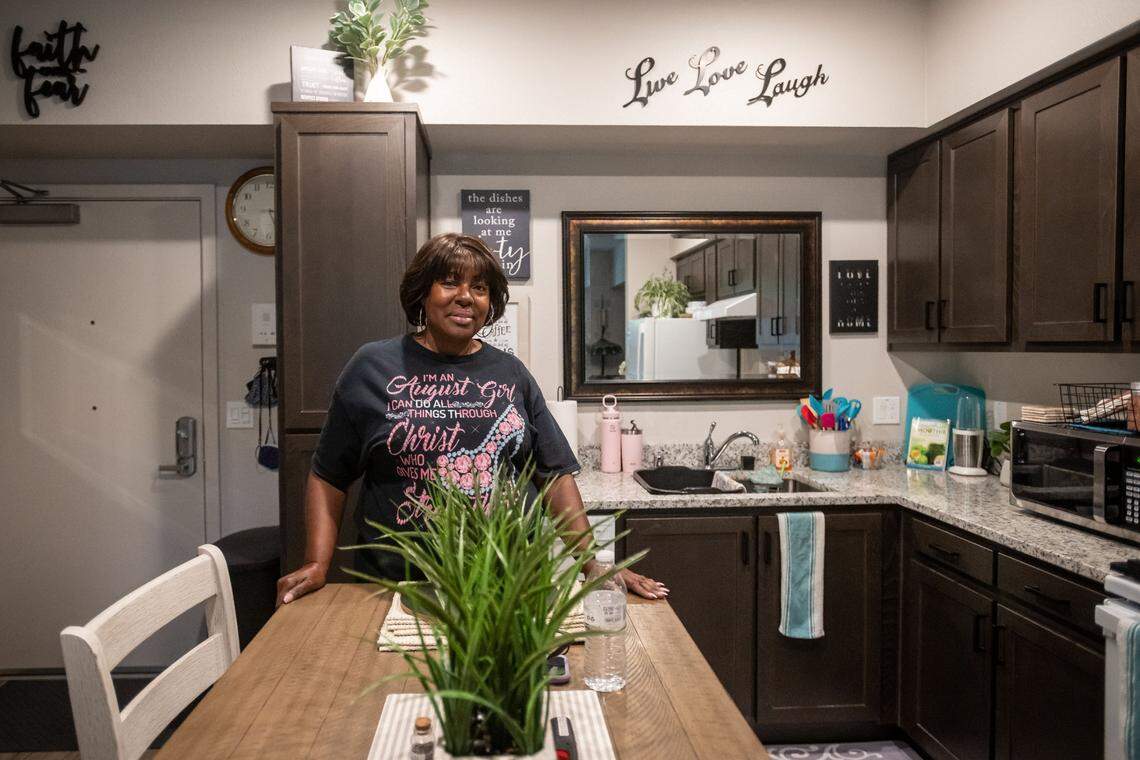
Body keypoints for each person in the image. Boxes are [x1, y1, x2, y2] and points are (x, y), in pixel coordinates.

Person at [276, 232, 669, 605]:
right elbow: (329, 474)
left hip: (506, 583)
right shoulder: (372, 367)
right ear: (422, 294)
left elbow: (553, 475)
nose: (466, 297)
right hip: (401, 585)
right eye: (450, 283)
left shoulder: (511, 373)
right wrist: (317, 562)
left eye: (479, 288)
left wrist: (593, 563)